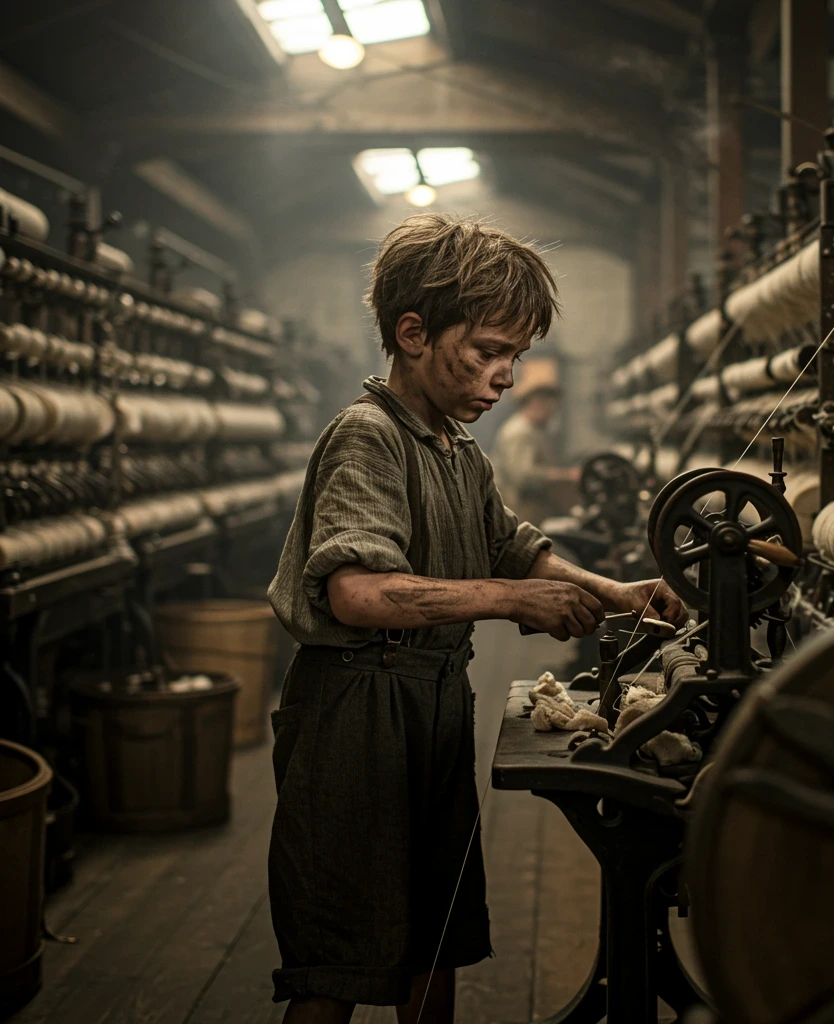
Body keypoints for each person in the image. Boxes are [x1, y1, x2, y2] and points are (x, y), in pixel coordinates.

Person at [266, 213, 686, 1024]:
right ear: (413, 333)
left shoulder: (456, 449)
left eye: (516, 358)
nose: (506, 378)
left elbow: (516, 548)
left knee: (435, 932)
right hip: (355, 712)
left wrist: (617, 591)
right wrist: (512, 602)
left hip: (429, 698)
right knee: (341, 952)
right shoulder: (368, 437)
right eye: (489, 352)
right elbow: (356, 591)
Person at [490, 357, 579, 526]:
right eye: (548, 401)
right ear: (535, 401)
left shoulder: (536, 430)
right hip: (517, 510)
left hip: (529, 510)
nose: (553, 408)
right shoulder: (519, 431)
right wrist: (565, 476)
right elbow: (523, 477)